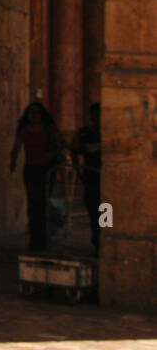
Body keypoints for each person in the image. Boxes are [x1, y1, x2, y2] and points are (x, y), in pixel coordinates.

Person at [8, 101, 64, 252]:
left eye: (36, 113)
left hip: (46, 169)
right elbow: (16, 147)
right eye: (31, 113)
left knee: (43, 204)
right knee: (34, 204)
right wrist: (12, 162)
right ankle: (35, 239)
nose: (33, 116)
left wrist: (51, 154)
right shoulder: (24, 130)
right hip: (31, 169)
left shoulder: (49, 129)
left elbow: (61, 145)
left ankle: (44, 238)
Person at [71, 102, 102, 254]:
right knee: (93, 210)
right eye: (95, 114)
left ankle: (103, 242)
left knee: (107, 210)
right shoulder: (83, 134)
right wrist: (79, 172)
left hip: (107, 180)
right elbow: (74, 151)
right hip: (91, 177)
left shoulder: (110, 132)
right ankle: (97, 240)